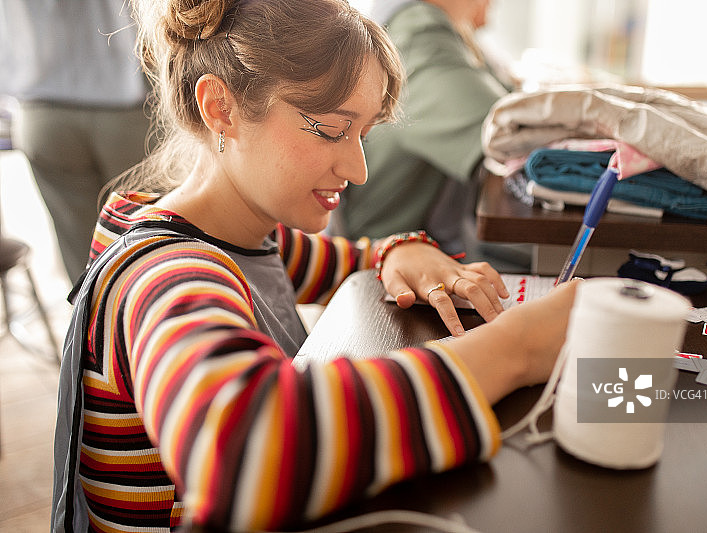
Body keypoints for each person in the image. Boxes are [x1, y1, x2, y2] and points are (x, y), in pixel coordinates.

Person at [51, 1, 578, 531]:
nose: (359, 169)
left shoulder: (250, 233)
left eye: (364, 135)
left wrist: (400, 247)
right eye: (330, 130)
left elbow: (351, 257)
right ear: (221, 108)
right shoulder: (165, 274)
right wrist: (517, 348)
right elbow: (240, 452)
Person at [333, 0, 531, 270]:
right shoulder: (419, 30)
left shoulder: (437, 28)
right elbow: (508, 132)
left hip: (421, 246)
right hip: (383, 259)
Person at [0, 0, 151, 283]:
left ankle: (94, 325)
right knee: (152, 248)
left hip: (43, 109)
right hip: (123, 103)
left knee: (84, 261)